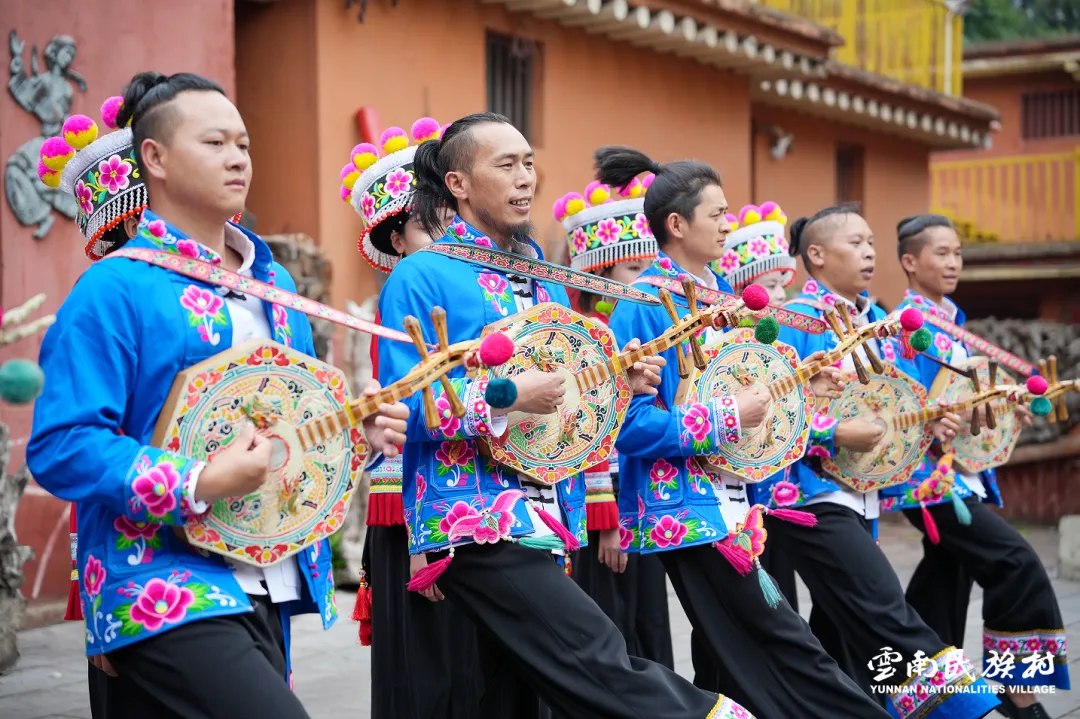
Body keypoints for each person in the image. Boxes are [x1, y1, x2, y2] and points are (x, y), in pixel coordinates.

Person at [27, 71, 408, 719]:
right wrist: (199, 476)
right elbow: (63, 445)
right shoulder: (115, 289)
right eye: (215, 142)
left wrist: (355, 433)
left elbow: (294, 422)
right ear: (155, 157)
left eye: (244, 143)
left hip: (269, 571)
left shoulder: (275, 284)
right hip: (159, 581)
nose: (238, 157)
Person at [378, 111, 754, 719]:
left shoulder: (545, 281)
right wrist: (506, 396)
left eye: (529, 162)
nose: (526, 177)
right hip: (473, 520)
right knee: (596, 652)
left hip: (551, 516)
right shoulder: (424, 275)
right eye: (506, 164)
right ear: (458, 185)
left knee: (513, 701)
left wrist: (613, 382)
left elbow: (569, 402)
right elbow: (403, 404)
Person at [598, 146, 891, 718]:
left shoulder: (728, 301)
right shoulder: (639, 304)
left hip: (739, 503)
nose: (730, 224)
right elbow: (627, 426)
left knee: (729, 657)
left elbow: (756, 405)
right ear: (677, 225)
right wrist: (726, 417)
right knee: (789, 643)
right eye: (718, 214)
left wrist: (806, 393)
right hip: (685, 509)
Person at [750, 203, 1001, 719]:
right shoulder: (792, 320)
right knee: (888, 613)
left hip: (858, 496)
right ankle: (970, 710)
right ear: (816, 255)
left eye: (871, 242)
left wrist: (927, 422)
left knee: (842, 632)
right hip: (805, 496)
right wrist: (834, 430)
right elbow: (765, 410)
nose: (869, 253)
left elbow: (895, 407)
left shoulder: (875, 322)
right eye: (855, 243)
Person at [881, 214, 1067, 719]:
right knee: (1018, 564)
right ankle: (1018, 695)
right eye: (941, 252)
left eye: (958, 253)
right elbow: (897, 404)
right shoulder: (907, 325)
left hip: (960, 476)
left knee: (944, 584)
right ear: (909, 261)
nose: (953, 262)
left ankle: (910, 694)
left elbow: (971, 407)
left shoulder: (954, 323)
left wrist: (1009, 412)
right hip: (928, 482)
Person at [340, 119, 483, 719]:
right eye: (429, 226)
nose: (445, 238)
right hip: (414, 506)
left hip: (456, 498)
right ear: (397, 238)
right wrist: (420, 537)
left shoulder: (462, 282)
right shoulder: (407, 286)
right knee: (428, 663)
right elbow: (401, 411)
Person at [554, 177, 673, 670]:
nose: (645, 277)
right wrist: (608, 523)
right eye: (633, 267)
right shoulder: (585, 334)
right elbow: (592, 430)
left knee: (647, 622)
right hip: (596, 506)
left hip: (636, 497)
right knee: (609, 624)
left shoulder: (640, 324)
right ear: (598, 273)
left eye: (650, 265)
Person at [710, 201, 804, 616]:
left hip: (766, 475)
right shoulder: (732, 336)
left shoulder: (779, 333)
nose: (780, 296)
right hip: (739, 472)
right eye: (769, 285)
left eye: (783, 284)